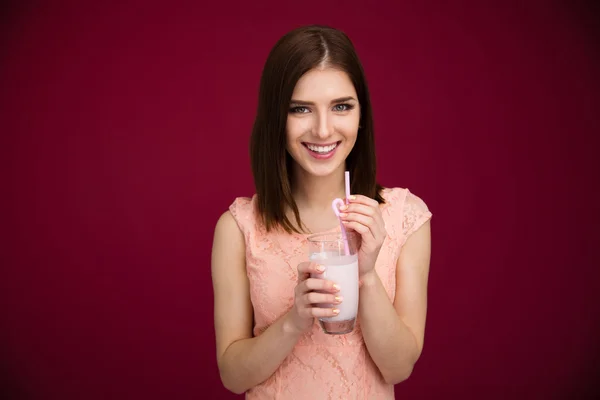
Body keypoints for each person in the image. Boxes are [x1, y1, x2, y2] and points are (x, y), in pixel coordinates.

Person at [211, 24, 432, 399]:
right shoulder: (239, 227)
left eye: (341, 106)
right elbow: (233, 376)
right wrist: (294, 320)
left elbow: (398, 367)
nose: (324, 129)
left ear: (361, 114)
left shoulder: (403, 217)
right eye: (300, 109)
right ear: (276, 119)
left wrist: (366, 275)